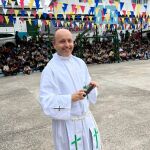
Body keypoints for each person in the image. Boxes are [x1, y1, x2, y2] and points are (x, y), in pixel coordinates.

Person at [39, 29, 102, 150]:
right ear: (54, 44)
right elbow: (46, 103)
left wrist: (91, 87)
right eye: (62, 41)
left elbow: (86, 89)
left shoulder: (80, 63)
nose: (67, 45)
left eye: (69, 41)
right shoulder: (50, 69)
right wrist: (69, 99)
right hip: (67, 124)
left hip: (86, 119)